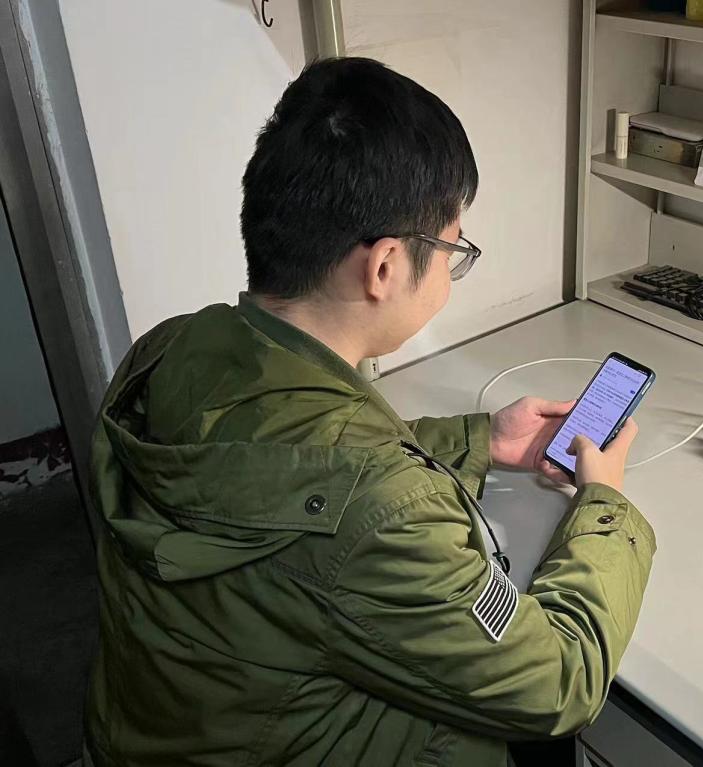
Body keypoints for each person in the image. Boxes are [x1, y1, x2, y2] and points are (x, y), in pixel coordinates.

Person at [85, 57, 656, 766]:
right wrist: (605, 504)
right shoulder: (384, 517)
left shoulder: (176, 347)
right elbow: (560, 685)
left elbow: (284, 464)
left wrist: (480, 439)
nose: (452, 267)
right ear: (384, 266)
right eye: (452, 247)